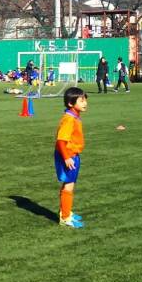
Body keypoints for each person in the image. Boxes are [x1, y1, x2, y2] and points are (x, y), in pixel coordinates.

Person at [55, 87, 89, 229]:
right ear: (70, 103)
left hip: (72, 154)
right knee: (69, 185)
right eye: (81, 101)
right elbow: (61, 141)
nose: (85, 103)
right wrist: (67, 157)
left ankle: (66, 211)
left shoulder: (74, 116)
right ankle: (65, 217)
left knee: (70, 183)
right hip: (67, 155)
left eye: (85, 100)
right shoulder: (69, 119)